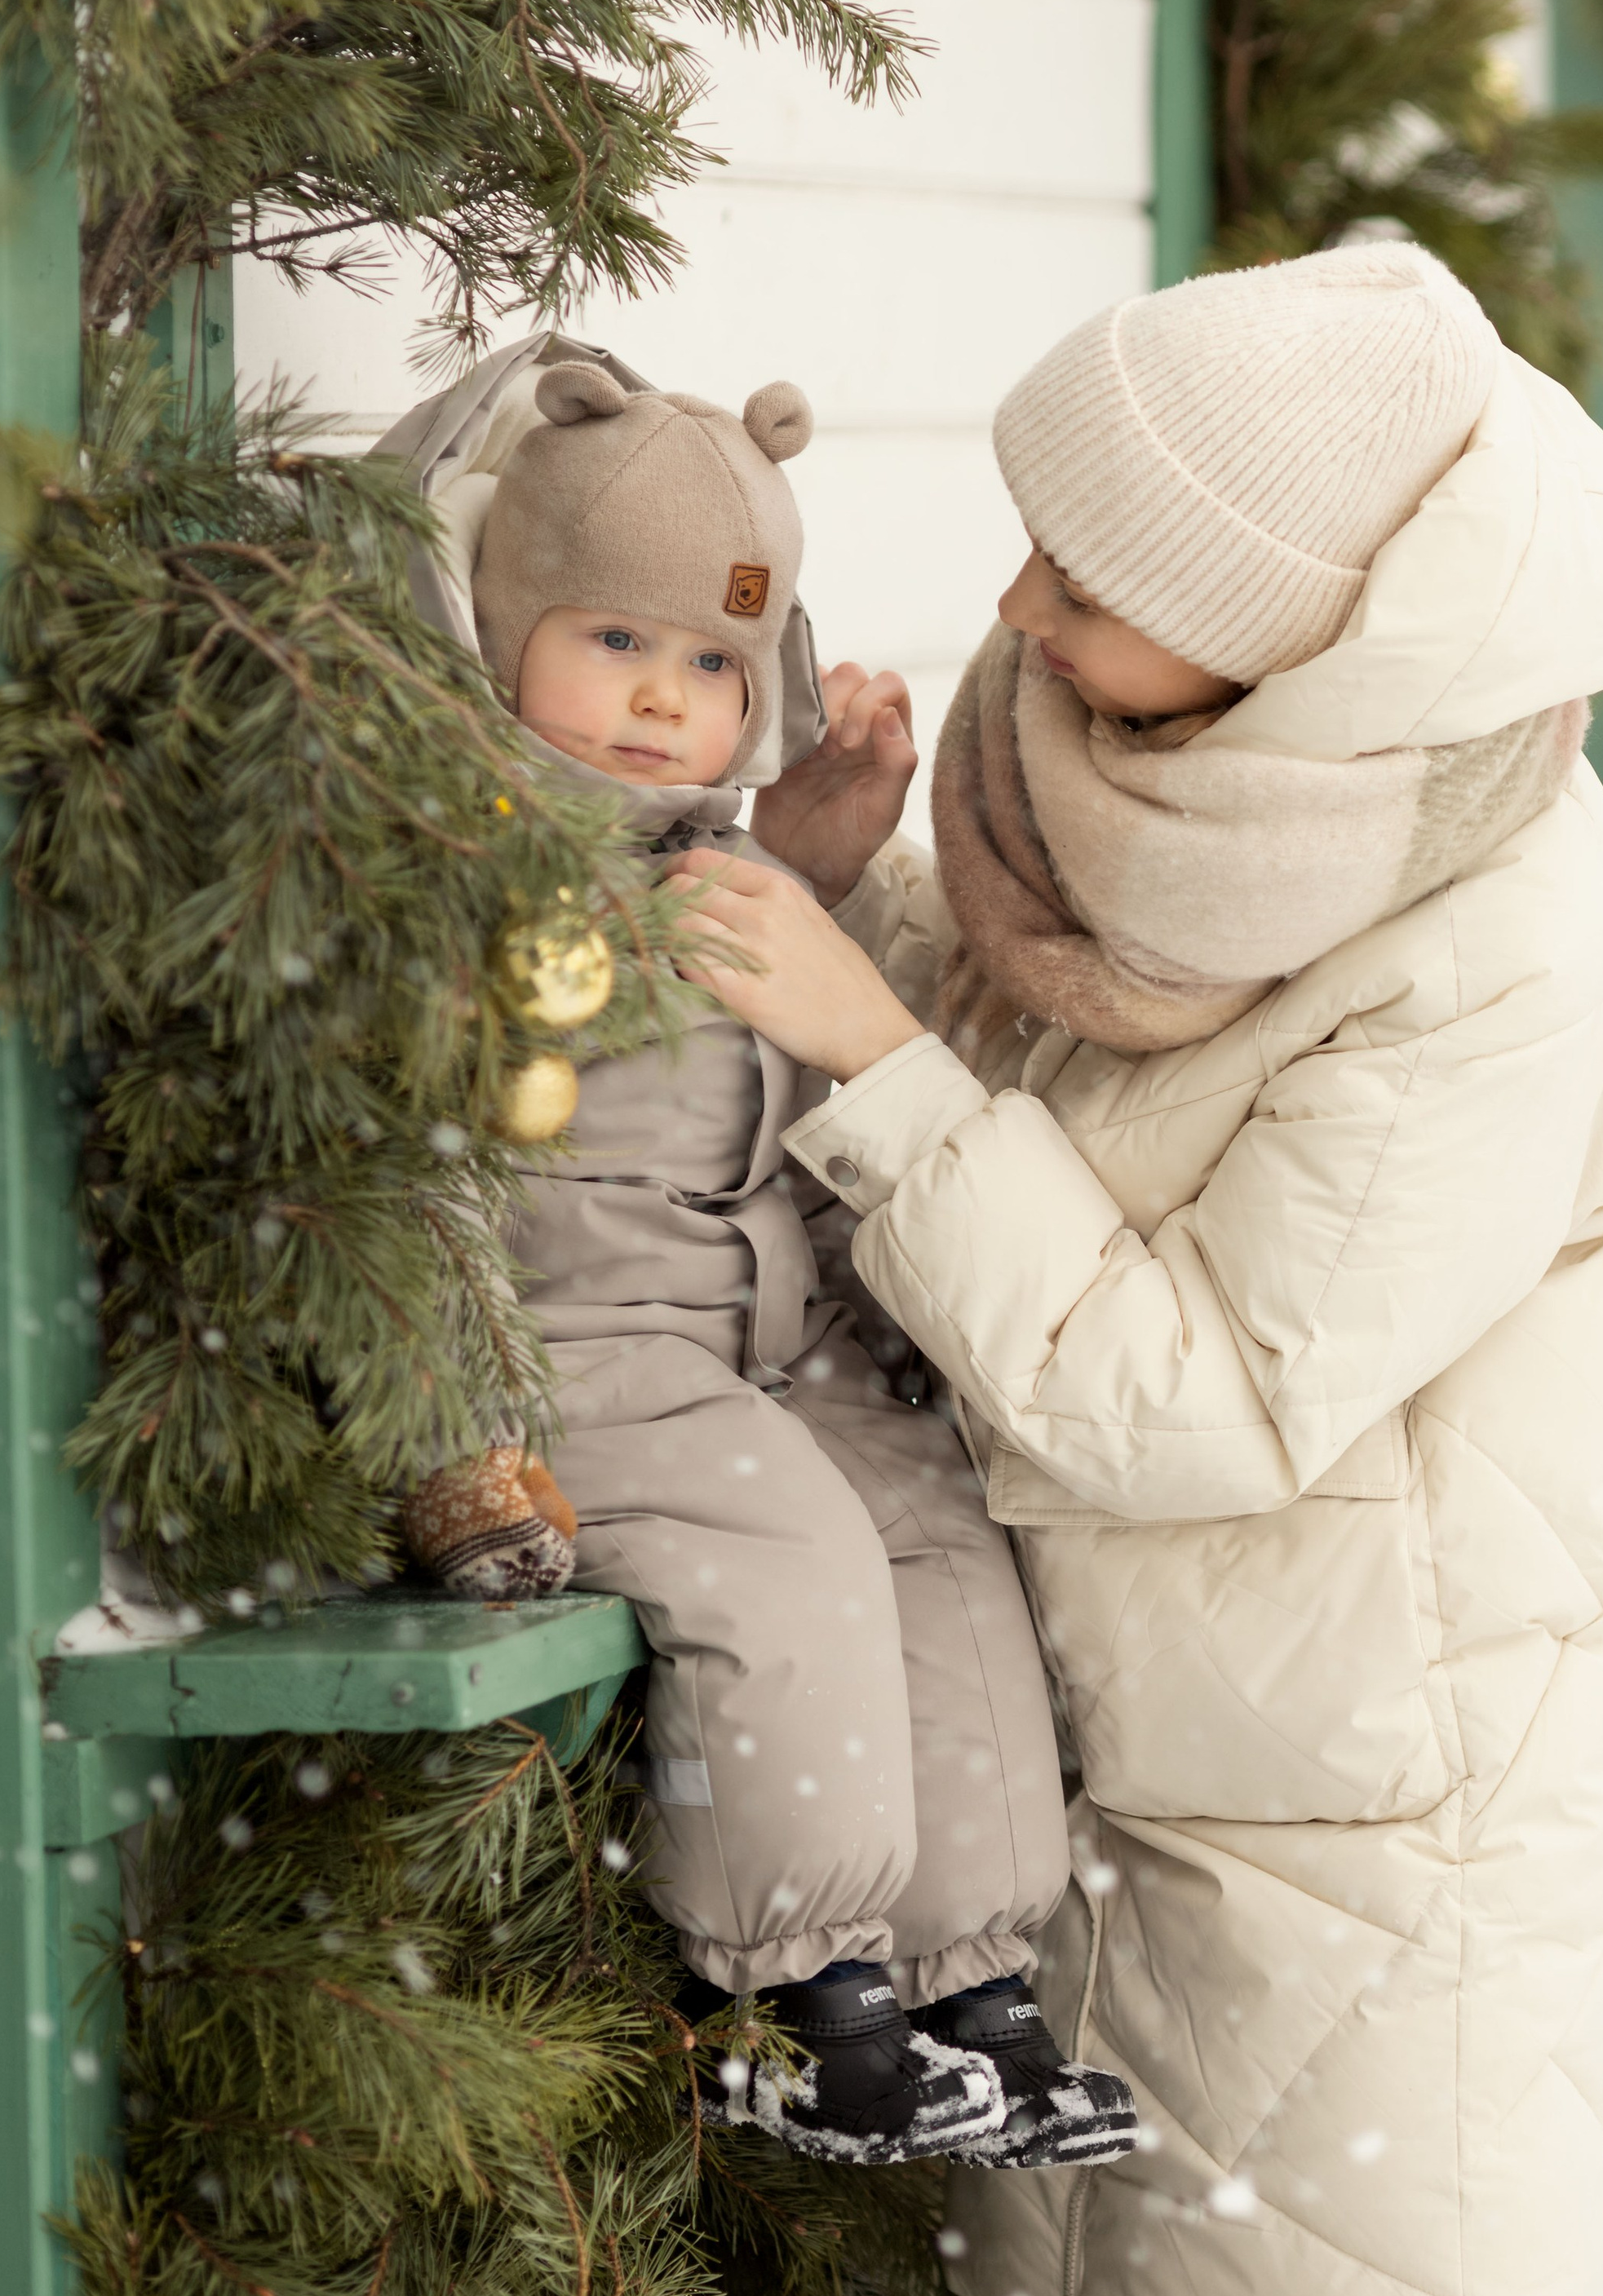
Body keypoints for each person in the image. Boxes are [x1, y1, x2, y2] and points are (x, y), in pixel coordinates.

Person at [666, 245, 1603, 2296]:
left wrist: (872, 1046)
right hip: (1122, 1780)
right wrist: (854, 900)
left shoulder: (1503, 947)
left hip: (1366, 1853)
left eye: (1092, 568)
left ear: (1297, 631)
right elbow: (1061, 1075)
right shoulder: (1143, 749)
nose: (1021, 601)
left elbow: (1189, 1391)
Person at [377, 338, 1138, 2176]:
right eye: (611, 642)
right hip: (578, 1352)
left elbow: (767, 1126)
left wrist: (872, 1330)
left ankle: (968, 1989)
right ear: (492, 622)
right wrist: (449, 1432)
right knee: (777, 1545)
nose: (659, 703)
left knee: (932, 1528)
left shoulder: (703, 882)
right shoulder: (455, 884)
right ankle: (788, 2000)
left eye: (712, 663)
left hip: (743, 1348)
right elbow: (393, 1177)